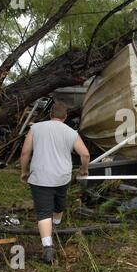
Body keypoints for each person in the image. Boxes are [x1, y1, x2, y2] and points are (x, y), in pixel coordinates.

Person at [20, 102, 90, 263]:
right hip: (61, 177)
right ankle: (56, 225)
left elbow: (25, 153)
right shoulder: (71, 132)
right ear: (65, 117)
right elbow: (85, 155)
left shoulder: (35, 128)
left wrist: (24, 171)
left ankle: (47, 246)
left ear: (50, 114)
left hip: (40, 177)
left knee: (43, 212)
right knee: (59, 203)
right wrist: (83, 170)